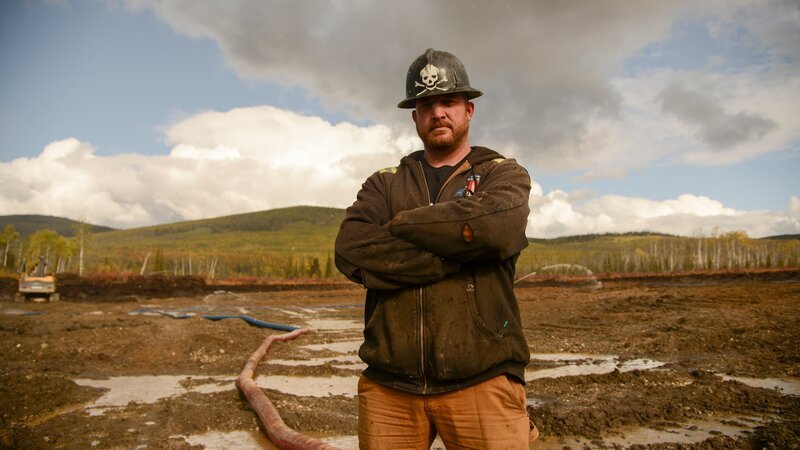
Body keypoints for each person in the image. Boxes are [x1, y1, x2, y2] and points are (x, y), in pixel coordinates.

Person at [335, 48, 535, 449]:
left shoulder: (502, 174)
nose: (438, 113)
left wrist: (400, 227)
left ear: (468, 110)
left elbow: (494, 230)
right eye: (426, 105)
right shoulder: (384, 183)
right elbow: (351, 249)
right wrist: (456, 253)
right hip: (389, 390)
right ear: (414, 117)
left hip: (483, 381)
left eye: (448, 101)